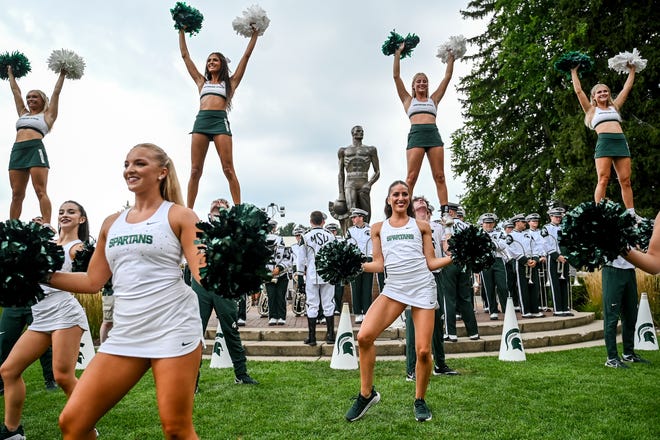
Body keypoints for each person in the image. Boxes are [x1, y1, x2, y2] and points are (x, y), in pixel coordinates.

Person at [46, 143, 204, 439]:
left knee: (176, 429)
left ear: (162, 172)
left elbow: (203, 274)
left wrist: (234, 265)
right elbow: (93, 282)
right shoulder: (112, 223)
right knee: (73, 422)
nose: (130, 169)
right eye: (127, 164)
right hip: (126, 333)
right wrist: (38, 275)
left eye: (140, 163)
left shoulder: (181, 216)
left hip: (173, 328)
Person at [345, 181, 452, 423]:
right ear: (388, 199)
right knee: (363, 337)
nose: (401, 198)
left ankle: (420, 400)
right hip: (394, 289)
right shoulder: (378, 228)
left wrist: (452, 259)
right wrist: (356, 265)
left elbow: (431, 262)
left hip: (422, 288)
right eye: (396, 194)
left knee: (424, 351)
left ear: (409, 199)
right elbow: (379, 263)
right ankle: (366, 394)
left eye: (405, 194)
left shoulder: (422, 226)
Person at [0, 201, 91, 439]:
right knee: (9, 370)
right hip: (40, 316)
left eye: (71, 212)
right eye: (61, 211)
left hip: (64, 314)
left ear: (81, 219)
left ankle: (87, 423)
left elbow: (90, 278)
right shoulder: (47, 243)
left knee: (62, 376)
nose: (64, 215)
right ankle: (12, 432)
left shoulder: (76, 247)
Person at [178, 24, 260, 208]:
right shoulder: (201, 81)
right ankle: (188, 211)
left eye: (215, 60)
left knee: (228, 169)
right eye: (209, 60)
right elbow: (185, 56)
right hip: (201, 121)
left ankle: (239, 210)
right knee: (195, 170)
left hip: (219, 122)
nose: (211, 62)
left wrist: (255, 35)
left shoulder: (230, 83)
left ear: (222, 63)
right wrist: (181, 29)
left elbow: (245, 57)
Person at [393, 42, 455, 221]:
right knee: (411, 177)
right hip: (416, 134)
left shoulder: (433, 99)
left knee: (440, 175)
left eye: (424, 81)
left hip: (433, 134)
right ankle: (404, 211)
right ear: (413, 86)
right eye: (418, 81)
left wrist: (451, 57)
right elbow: (396, 76)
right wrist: (397, 53)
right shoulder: (407, 100)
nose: (422, 83)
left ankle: (445, 212)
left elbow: (447, 77)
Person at [571, 63, 639, 218]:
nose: (603, 93)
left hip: (620, 141)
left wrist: (632, 70)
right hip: (604, 142)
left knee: (626, 180)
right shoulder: (591, 110)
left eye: (605, 91)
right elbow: (578, 91)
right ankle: (599, 212)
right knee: (603, 179)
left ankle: (631, 213)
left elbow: (626, 89)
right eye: (599, 92)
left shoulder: (615, 107)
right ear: (594, 96)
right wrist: (574, 71)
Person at [405, 196, 458, 382]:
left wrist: (449, 228)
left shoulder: (438, 227)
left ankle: (440, 364)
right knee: (412, 323)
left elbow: (448, 250)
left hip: (436, 275)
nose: (421, 206)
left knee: (437, 321)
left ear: (428, 210)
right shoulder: (407, 227)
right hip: (414, 277)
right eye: (417, 204)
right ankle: (411, 368)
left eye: (424, 204)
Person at [7, 65, 67, 227]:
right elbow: (15, 92)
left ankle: (46, 224)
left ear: (42, 100)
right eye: (29, 97)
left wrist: (62, 74)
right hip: (17, 150)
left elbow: (56, 92)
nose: (30, 99)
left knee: (40, 190)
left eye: (34, 97)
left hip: (35, 149)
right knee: (16, 194)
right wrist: (10, 73)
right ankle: (12, 227)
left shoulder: (48, 115)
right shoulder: (23, 113)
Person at [601, 254, 650, 368]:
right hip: (612, 270)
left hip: (630, 270)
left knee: (631, 315)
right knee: (611, 318)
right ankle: (612, 358)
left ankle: (628, 354)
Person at [296, 211, 336, 346]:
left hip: (312, 273)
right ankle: (330, 336)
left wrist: (300, 275)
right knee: (328, 303)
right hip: (328, 273)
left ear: (311, 221)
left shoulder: (305, 236)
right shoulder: (330, 236)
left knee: (312, 304)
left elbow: (301, 258)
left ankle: (312, 337)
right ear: (323, 221)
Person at [441, 203, 480, 341]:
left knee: (449, 298)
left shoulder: (445, 224)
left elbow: (446, 246)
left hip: (450, 262)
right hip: (465, 263)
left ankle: (450, 332)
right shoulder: (467, 226)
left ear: (450, 212)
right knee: (465, 298)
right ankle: (473, 332)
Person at [332, 126, 380, 231]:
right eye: (358, 131)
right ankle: (351, 234)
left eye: (362, 131)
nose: (361, 133)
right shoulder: (343, 151)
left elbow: (377, 172)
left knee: (366, 212)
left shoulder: (370, 149)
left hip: (364, 181)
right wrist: (341, 193)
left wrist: (369, 184)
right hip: (350, 183)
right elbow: (340, 173)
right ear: (352, 133)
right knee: (352, 211)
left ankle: (366, 233)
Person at [506, 214, 544, 318]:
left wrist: (535, 259)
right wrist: (525, 260)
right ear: (517, 223)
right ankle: (525, 310)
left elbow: (535, 247)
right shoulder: (511, 236)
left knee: (534, 287)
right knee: (523, 287)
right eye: (523, 222)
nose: (525, 224)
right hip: (521, 263)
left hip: (532, 263)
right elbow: (512, 250)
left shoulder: (528, 234)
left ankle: (535, 310)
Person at [478, 213, 509, 320]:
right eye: (486, 223)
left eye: (490, 223)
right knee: (488, 286)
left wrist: (491, 244)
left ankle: (506, 310)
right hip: (485, 261)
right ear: (482, 224)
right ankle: (493, 310)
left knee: (503, 286)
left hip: (498, 260)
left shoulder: (500, 232)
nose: (488, 225)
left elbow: (503, 245)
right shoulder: (478, 233)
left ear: (494, 223)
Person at [542, 207, 572, 316]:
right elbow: (545, 243)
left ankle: (565, 308)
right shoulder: (546, 228)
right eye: (556, 216)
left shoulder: (565, 227)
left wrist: (566, 255)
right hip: (553, 258)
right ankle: (558, 309)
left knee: (565, 283)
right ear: (551, 217)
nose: (558, 218)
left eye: (559, 216)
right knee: (555, 284)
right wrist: (556, 255)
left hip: (564, 258)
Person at [346, 208, 374, 324]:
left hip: (368, 259)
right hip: (355, 260)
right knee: (355, 287)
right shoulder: (350, 231)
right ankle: (357, 312)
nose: (353, 219)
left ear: (361, 217)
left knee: (367, 286)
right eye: (352, 217)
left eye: (355, 217)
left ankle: (367, 311)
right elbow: (347, 246)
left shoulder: (371, 229)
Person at [264, 219, 292, 326]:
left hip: (281, 274)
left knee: (281, 296)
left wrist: (279, 268)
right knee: (271, 296)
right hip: (268, 275)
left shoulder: (281, 241)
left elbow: (288, 258)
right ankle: (272, 316)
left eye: (273, 227)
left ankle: (281, 316)